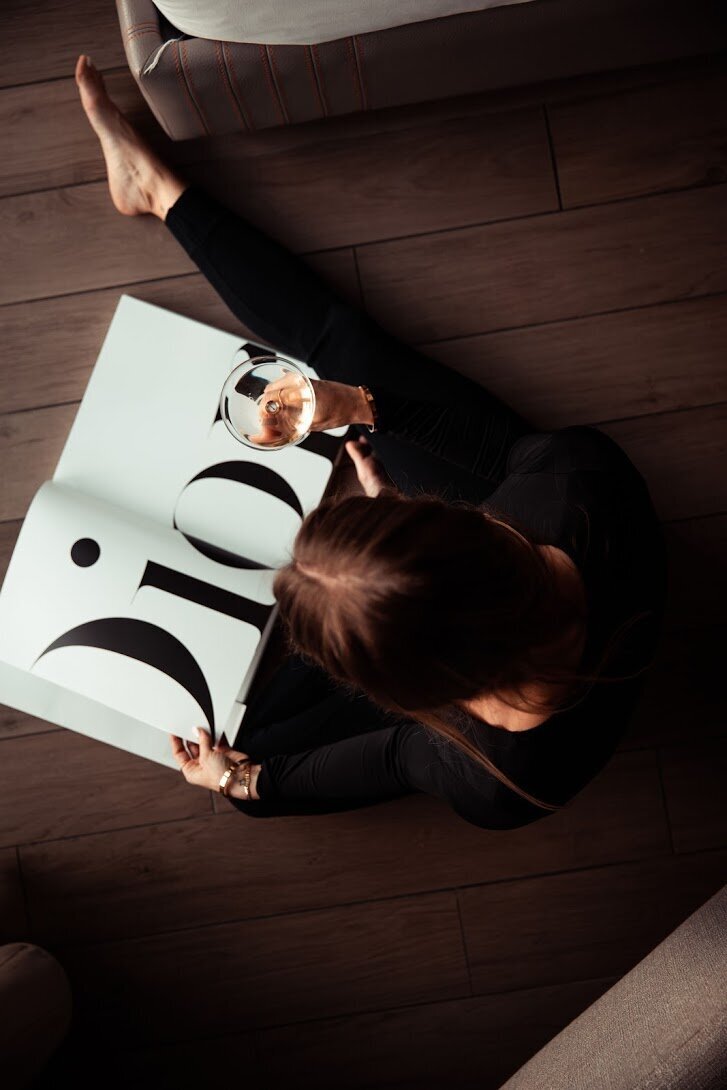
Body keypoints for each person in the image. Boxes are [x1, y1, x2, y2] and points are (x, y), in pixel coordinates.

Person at [74, 54, 668, 829]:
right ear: (459, 520)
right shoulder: (576, 480)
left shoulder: (493, 775)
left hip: (506, 614)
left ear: (415, 697)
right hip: (528, 574)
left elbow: (392, 756)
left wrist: (243, 786)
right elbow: (500, 454)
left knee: (245, 741)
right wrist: (351, 403)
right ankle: (157, 190)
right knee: (344, 353)